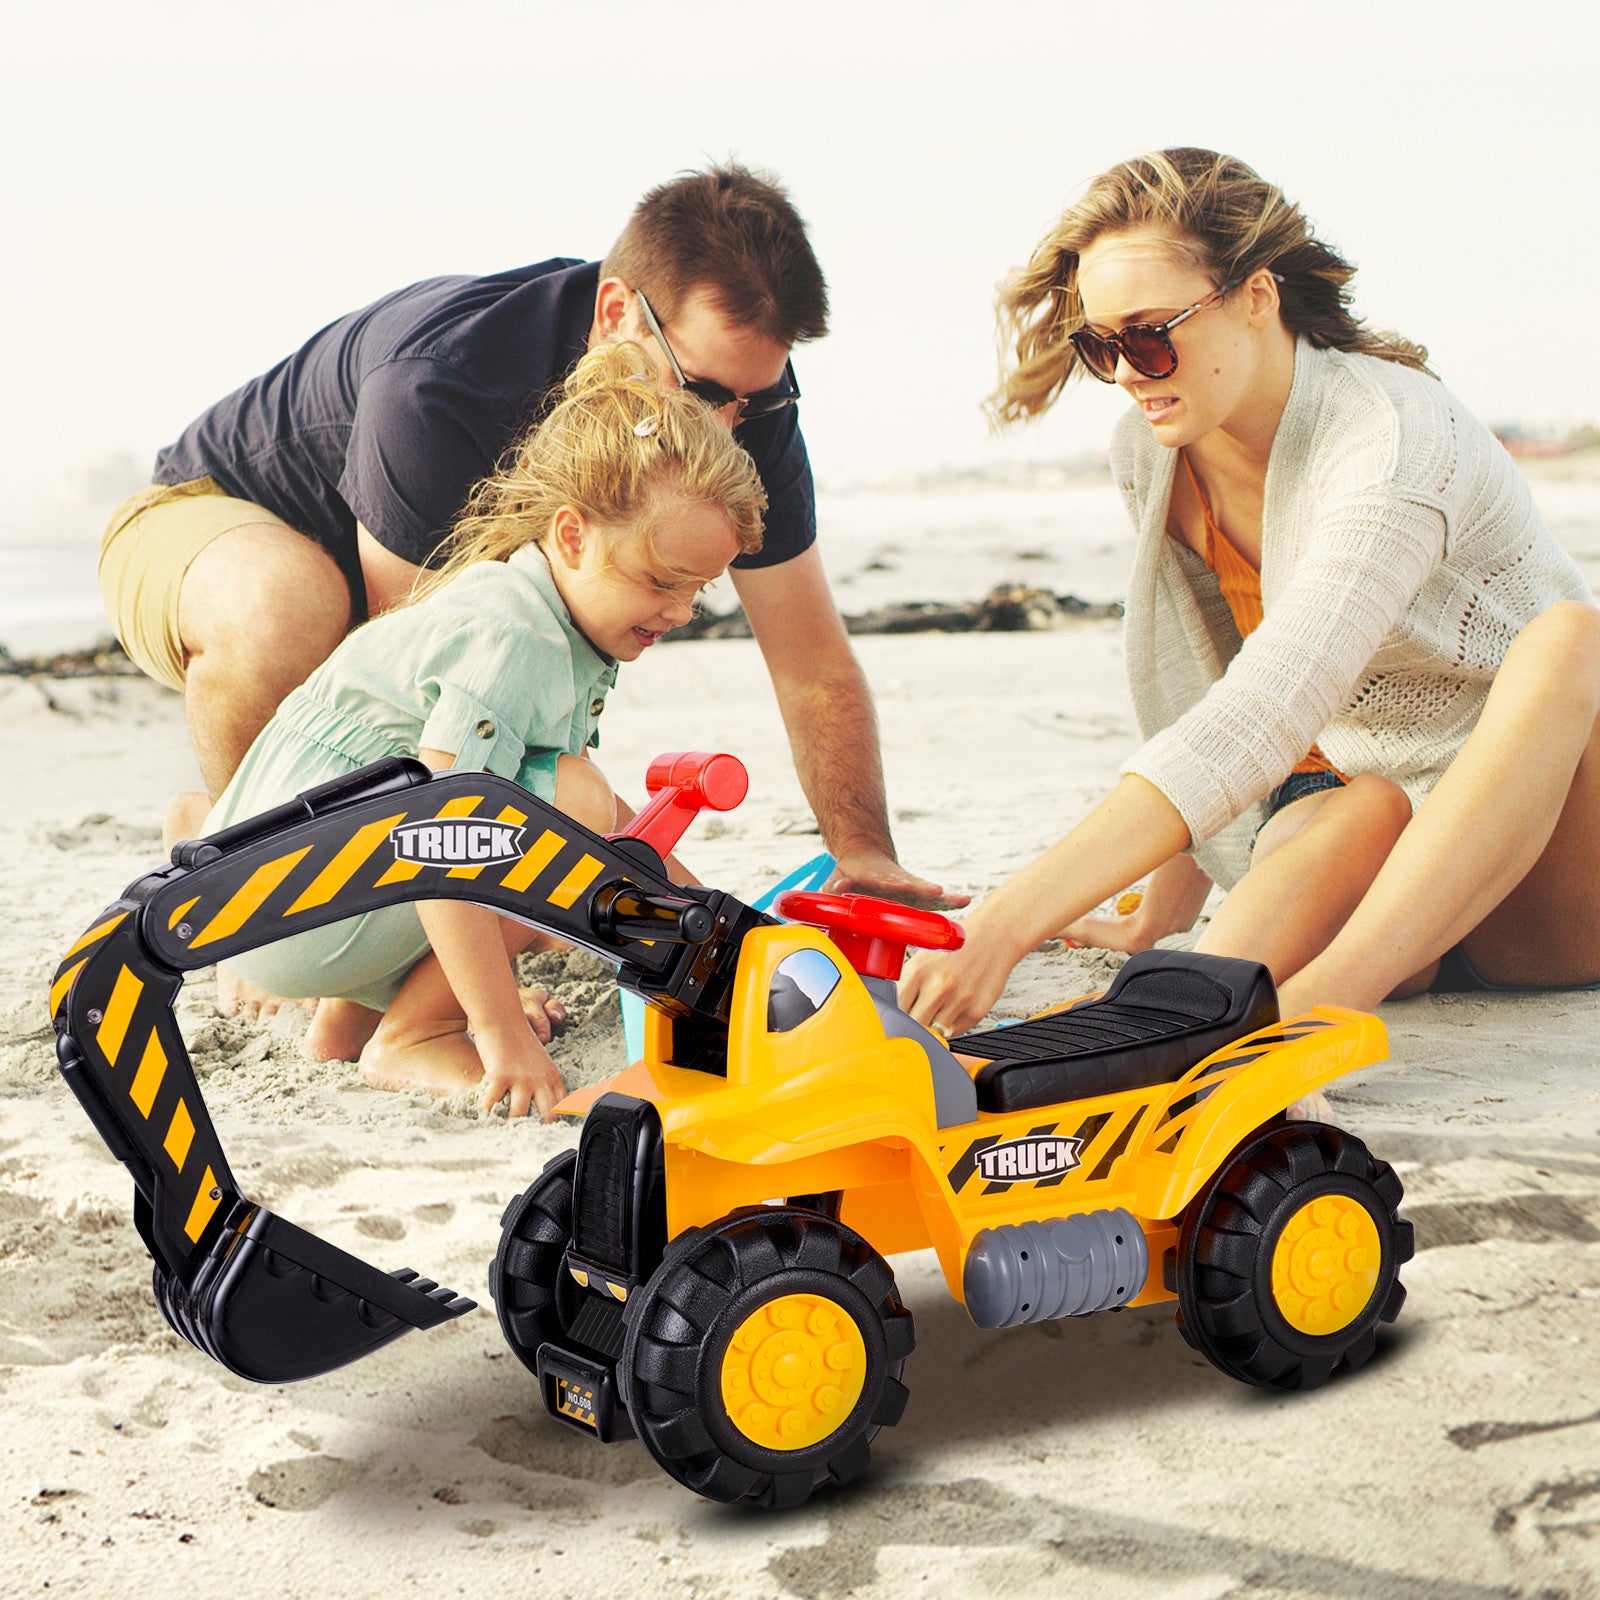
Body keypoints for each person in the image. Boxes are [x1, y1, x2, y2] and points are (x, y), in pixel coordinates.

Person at [99, 162, 962, 939]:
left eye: (757, 397)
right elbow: (413, 698)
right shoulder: (445, 384)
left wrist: (865, 852)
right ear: (618, 312)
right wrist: (676, 899)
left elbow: (811, 662)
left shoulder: (741, 406)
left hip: (377, 583)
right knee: (289, 605)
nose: (727, 421)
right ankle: (242, 887)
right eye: (702, 389)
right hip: (204, 521)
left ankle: (211, 825)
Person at [901, 147, 1600, 1039]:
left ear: (1258, 298)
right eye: (1100, 344)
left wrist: (1005, 920)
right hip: (1385, 862)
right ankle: (1175, 1014)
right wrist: (1158, 915)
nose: (1126, 371)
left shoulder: (1392, 439)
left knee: (1571, 637)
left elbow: (1273, 704)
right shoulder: (1155, 450)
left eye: (1151, 335)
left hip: (1549, 881)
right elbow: (1219, 690)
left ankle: (1314, 1012)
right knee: (1356, 801)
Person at [201, 344, 765, 1119]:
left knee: (572, 816)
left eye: (698, 591)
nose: (678, 611)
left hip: (275, 902)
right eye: (661, 581)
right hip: (292, 911)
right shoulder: (515, 637)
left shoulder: (556, 618)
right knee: (566, 808)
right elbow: (443, 832)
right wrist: (502, 1032)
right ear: (571, 536)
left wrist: (723, 926)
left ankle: (347, 1020)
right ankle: (418, 1032)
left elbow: (621, 841)